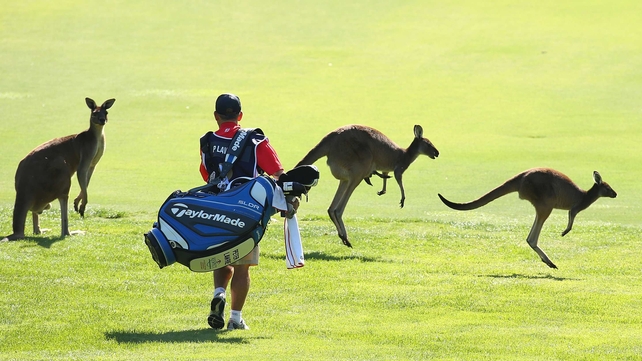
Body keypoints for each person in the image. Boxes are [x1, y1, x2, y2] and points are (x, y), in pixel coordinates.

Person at [199, 93, 285, 331]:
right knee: (242, 266)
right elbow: (277, 172)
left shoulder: (206, 141)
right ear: (240, 115)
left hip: (216, 208)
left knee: (220, 255)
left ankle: (219, 292)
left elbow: (206, 175)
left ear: (216, 116)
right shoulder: (255, 140)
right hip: (246, 212)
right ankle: (235, 318)